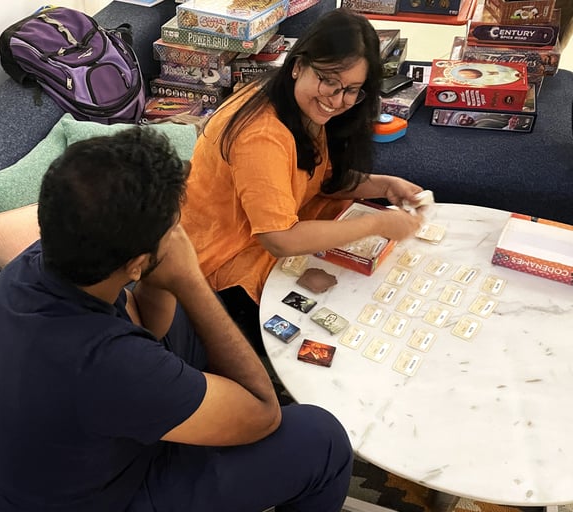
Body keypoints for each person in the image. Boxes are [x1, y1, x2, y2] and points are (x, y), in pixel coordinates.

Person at [0, 127, 354, 512]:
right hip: (106, 497)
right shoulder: (110, 363)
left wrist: (158, 279)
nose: (180, 236)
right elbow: (264, 413)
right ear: (137, 264)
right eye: (174, 231)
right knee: (322, 441)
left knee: (184, 325)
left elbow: (148, 331)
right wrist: (189, 281)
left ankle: (200, 411)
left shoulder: (40, 260)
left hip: (72, 451)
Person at [181, 8, 423, 349]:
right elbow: (279, 239)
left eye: (352, 89)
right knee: (338, 326)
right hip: (225, 264)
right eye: (328, 81)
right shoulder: (261, 134)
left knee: (370, 288)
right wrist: (376, 226)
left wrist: (382, 185)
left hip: (273, 232)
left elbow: (319, 179)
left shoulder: (299, 107)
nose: (338, 100)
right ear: (297, 66)